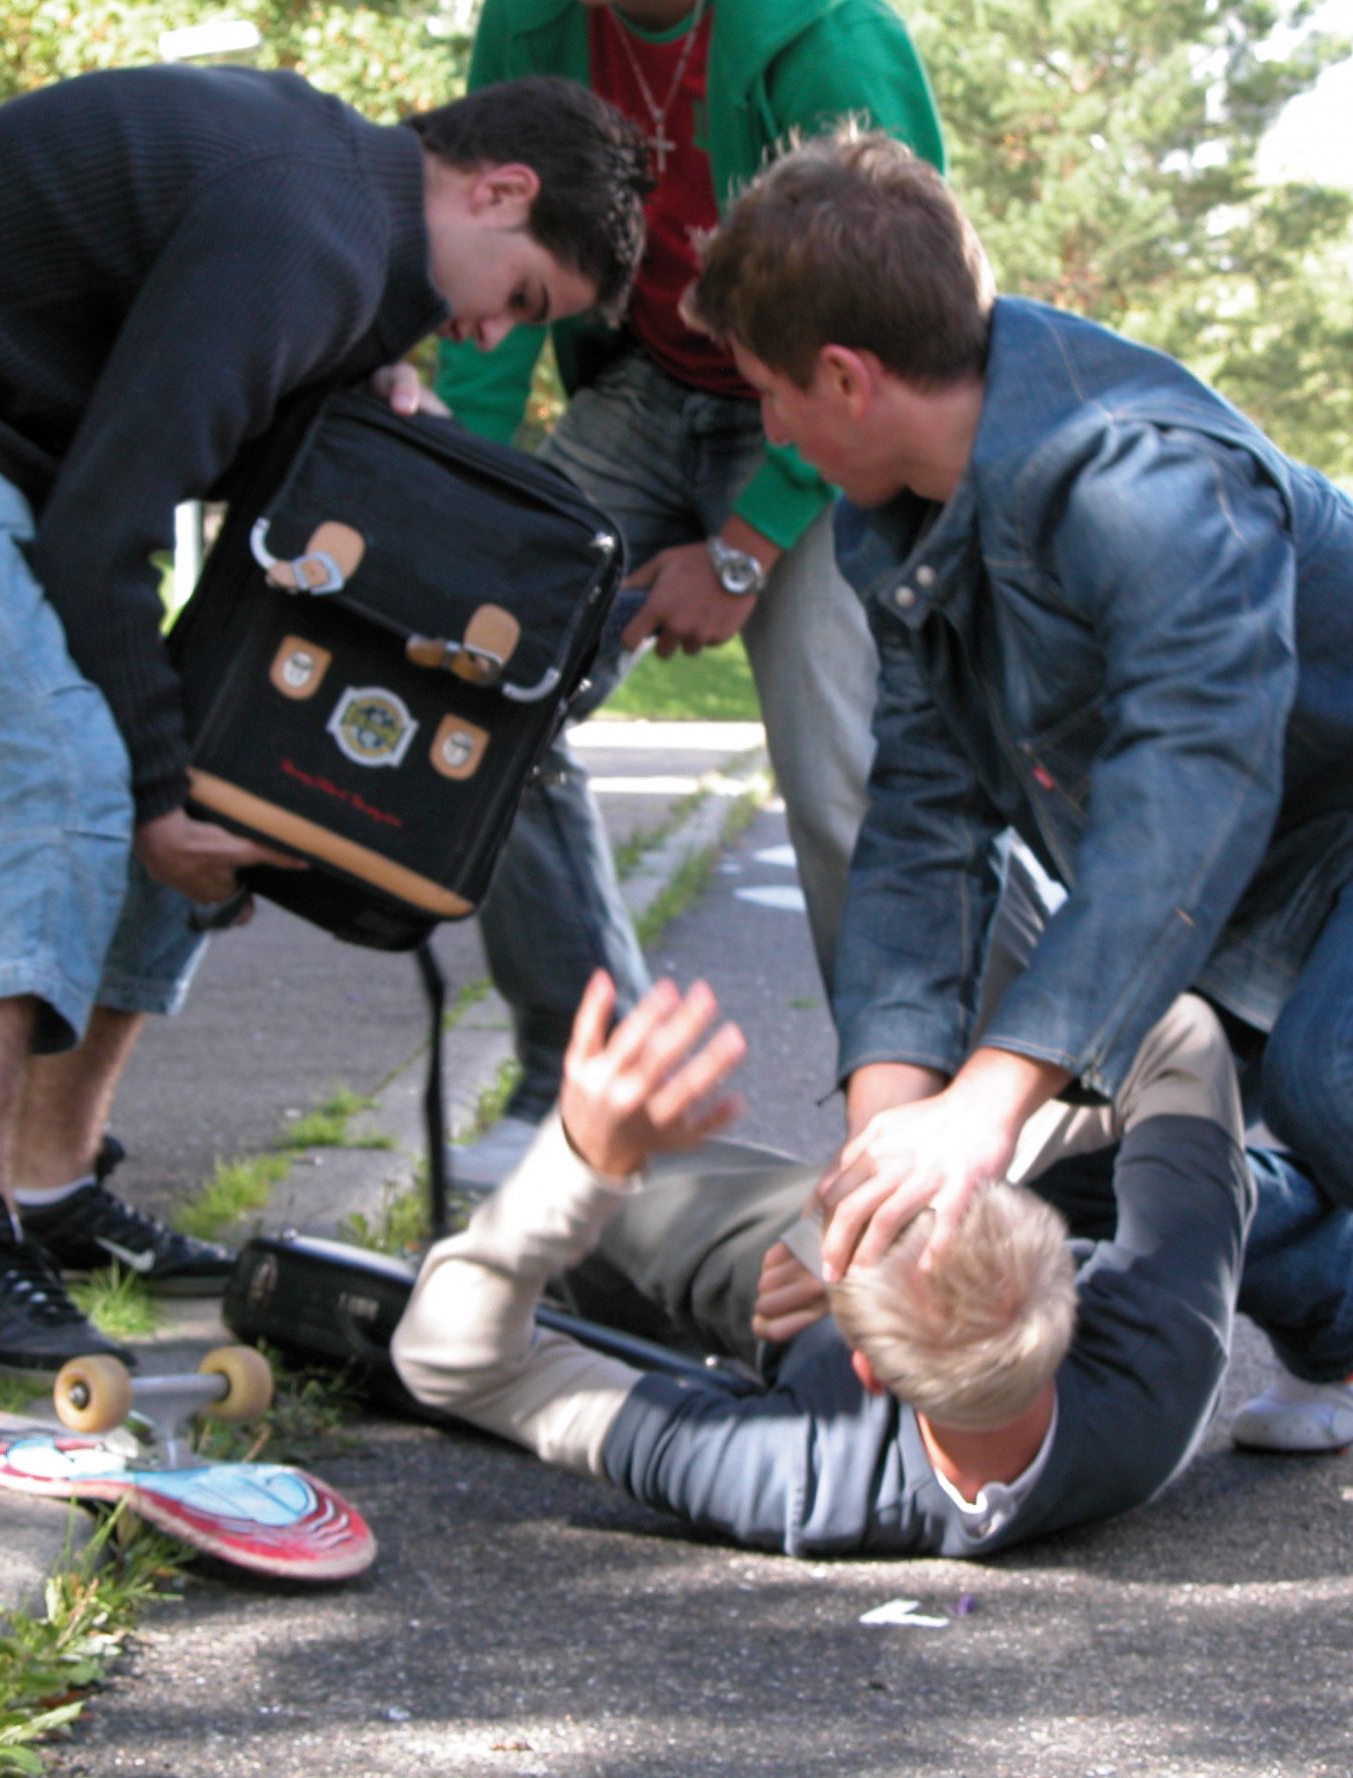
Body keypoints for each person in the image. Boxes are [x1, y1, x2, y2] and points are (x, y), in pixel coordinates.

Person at [0, 65, 653, 1377]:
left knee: (210, 782)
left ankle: (47, 1189)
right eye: (520, 300)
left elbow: (185, 433)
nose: (493, 338)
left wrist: (349, 390)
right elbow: (104, 532)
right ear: (501, 191)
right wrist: (155, 791)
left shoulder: (335, 222)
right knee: (50, 781)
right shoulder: (307, 229)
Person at [681, 124, 1353, 1449]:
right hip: (1260, 888)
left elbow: (1188, 802)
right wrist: (879, 1168)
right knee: (1044, 1176)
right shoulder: (894, 517)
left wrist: (983, 1098)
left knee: (1350, 1073)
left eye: (768, 396)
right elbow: (917, 821)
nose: (770, 430)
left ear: (844, 378)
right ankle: (1349, 1288)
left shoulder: (1142, 475)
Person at [434, 0, 945, 1192]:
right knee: (484, 680)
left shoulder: (829, 37)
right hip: (653, 385)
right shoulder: (529, 22)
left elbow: (887, 316)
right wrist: (462, 494)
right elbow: (490, 276)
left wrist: (747, 547)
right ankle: (583, 1067)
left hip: (817, 406)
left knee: (842, 783)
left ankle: (925, 1126)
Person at [395, 973, 1353, 1555]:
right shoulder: (1159, 1351)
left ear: (865, 1364)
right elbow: (1179, 1029)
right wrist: (980, 1127)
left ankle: (606, 1234)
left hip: (767, 1307)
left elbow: (452, 1360)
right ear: (1076, 1286)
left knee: (604, 1205)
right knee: (1202, 1186)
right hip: (957, 1300)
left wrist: (582, 1160)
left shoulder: (798, 1475)